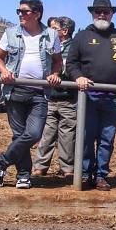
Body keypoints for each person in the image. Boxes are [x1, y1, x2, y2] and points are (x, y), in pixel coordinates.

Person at [66, 0, 116, 190]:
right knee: (85, 137)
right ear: (92, 13)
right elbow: (71, 63)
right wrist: (78, 77)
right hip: (87, 96)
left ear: (112, 13)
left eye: (105, 11)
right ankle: (84, 173)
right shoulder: (81, 37)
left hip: (112, 96)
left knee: (107, 139)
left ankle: (101, 175)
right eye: (97, 11)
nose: (101, 14)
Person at [0, 0, 62, 189]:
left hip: (40, 92)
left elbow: (57, 60)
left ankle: (2, 161)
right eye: (19, 11)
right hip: (15, 90)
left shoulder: (51, 35)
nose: (20, 15)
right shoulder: (11, 33)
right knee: (19, 134)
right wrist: (4, 71)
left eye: (25, 11)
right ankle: (23, 175)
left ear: (37, 14)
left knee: (33, 133)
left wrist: (55, 74)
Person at [34, 16, 77, 178]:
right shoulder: (48, 45)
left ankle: (67, 168)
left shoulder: (74, 48)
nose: (49, 31)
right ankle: (40, 166)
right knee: (47, 133)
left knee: (67, 135)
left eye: (53, 28)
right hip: (50, 96)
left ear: (64, 31)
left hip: (68, 97)